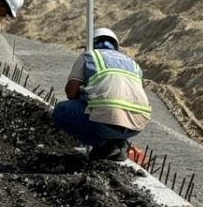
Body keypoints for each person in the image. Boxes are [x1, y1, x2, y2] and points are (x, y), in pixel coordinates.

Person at [52, 27, 151, 162]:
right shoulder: (133, 64)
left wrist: (84, 93)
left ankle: (104, 145)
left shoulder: (89, 56)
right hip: (137, 127)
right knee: (122, 108)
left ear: (91, 44)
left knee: (61, 111)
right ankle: (121, 145)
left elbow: (71, 92)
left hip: (105, 125)